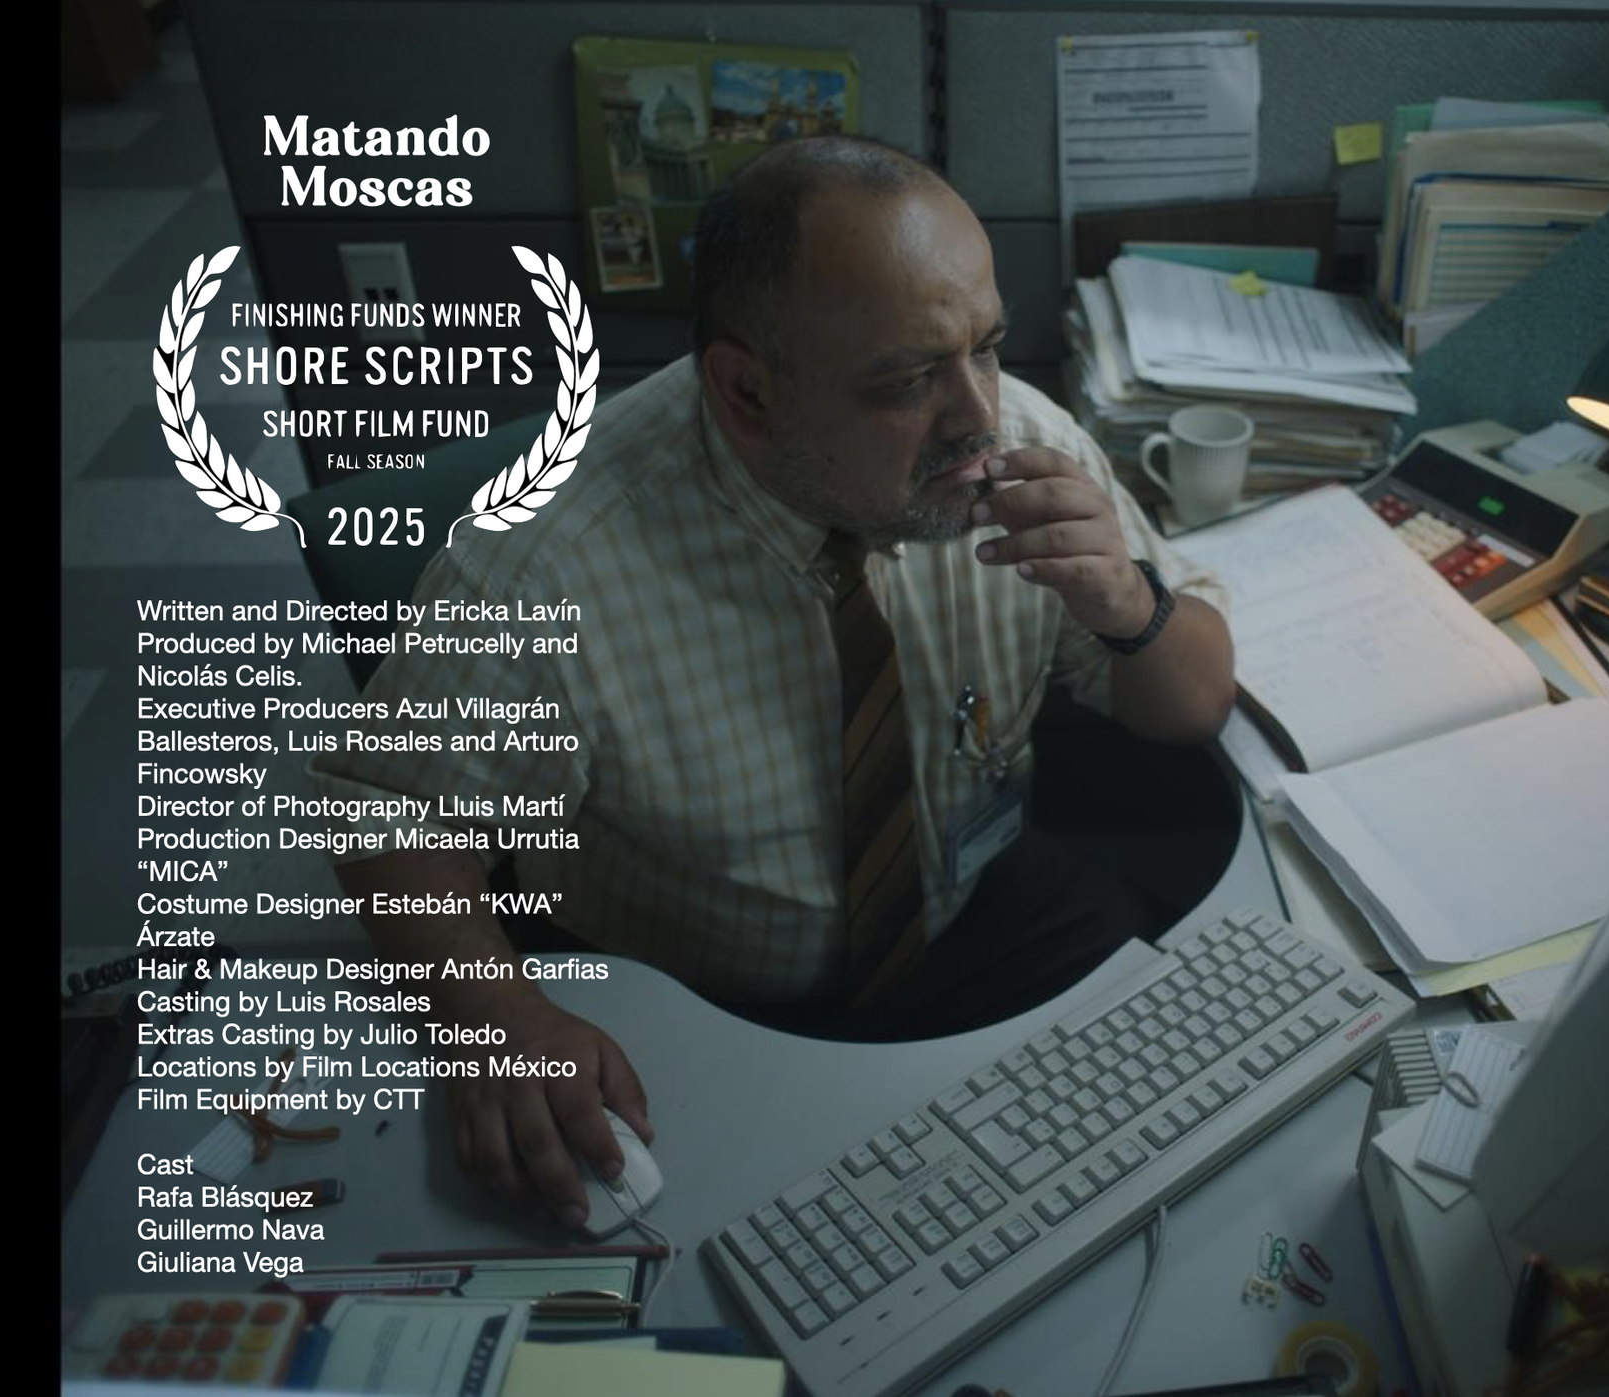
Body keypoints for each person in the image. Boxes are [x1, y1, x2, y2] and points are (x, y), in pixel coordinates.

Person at [307, 135, 1235, 1233]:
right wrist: (494, 1011)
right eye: (905, 380)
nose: (978, 417)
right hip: (693, 992)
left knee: (1188, 1118)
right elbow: (382, 807)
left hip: (969, 913)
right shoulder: (550, 557)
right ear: (747, 391)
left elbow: (1192, 709)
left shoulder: (1020, 437)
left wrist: (1131, 608)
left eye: (984, 347)